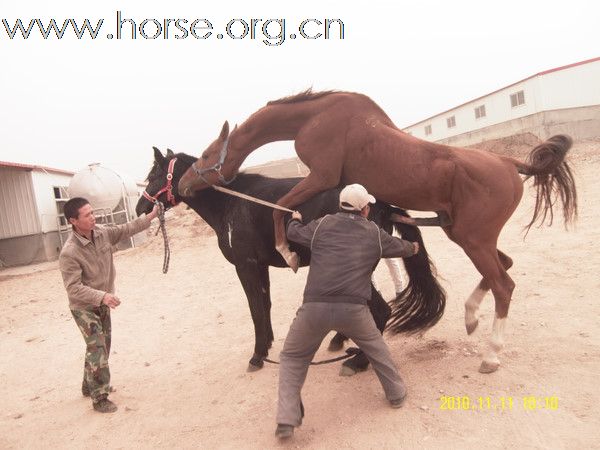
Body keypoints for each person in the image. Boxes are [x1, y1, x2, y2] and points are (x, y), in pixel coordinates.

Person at [275, 184, 419, 439]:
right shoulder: (373, 232)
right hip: (353, 311)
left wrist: (294, 220)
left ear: (341, 205)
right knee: (377, 349)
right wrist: (414, 246)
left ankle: (287, 419)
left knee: (292, 358)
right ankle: (396, 394)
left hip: (314, 309)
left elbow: (294, 233)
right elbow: (402, 248)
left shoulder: (321, 225)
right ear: (365, 209)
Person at [59, 197, 158, 413]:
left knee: (102, 346)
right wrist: (102, 296)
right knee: (97, 347)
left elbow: (125, 229)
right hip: (83, 307)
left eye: (92, 212)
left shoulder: (102, 233)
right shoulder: (69, 252)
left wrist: (150, 216)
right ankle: (99, 397)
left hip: (103, 301)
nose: (93, 217)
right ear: (73, 221)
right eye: (87, 215)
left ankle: (89, 384)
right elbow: (73, 288)